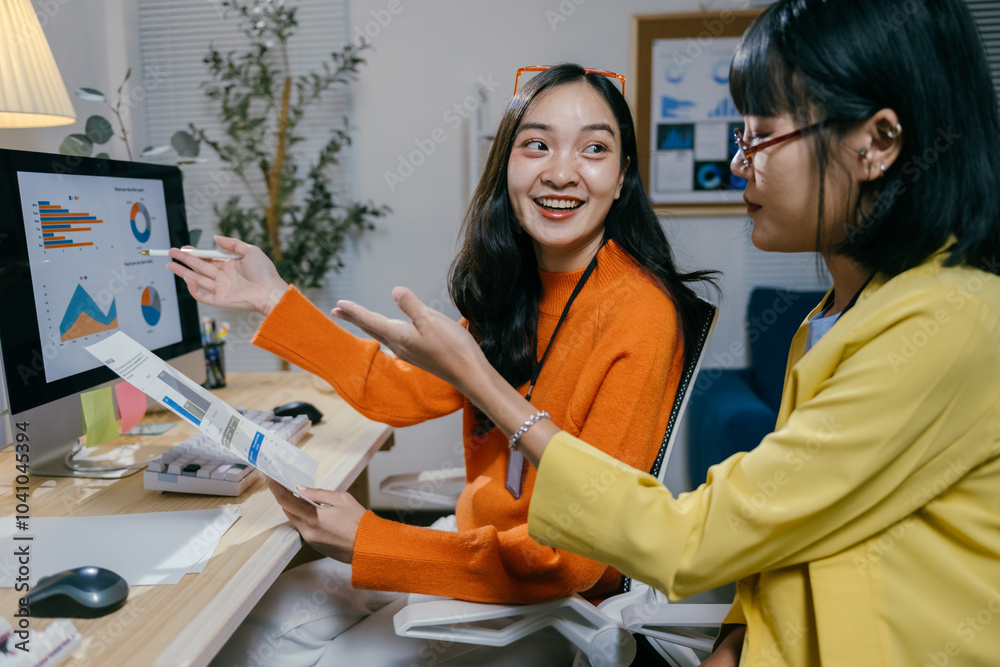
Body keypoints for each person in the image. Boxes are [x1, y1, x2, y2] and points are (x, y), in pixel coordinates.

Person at [332, 1, 1000, 665]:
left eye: (762, 135)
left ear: (877, 144)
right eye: (535, 144)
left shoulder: (948, 322)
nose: (741, 165)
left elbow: (691, 538)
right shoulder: (833, 317)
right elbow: (787, 530)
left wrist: (476, 379)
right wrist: (736, 638)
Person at [169, 63, 714, 666]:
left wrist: (370, 540)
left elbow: (571, 561)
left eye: (593, 148)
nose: (561, 172)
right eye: (536, 144)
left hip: (550, 596)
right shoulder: (517, 290)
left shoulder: (641, 312)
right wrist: (270, 300)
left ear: (622, 175)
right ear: (506, 163)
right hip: (476, 546)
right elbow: (396, 394)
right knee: (259, 621)